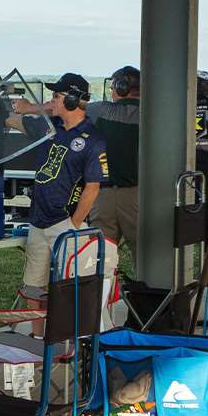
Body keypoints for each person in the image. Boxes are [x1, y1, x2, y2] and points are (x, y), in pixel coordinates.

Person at [19, 75, 106, 319]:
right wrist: (23, 108)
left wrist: (74, 224)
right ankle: (37, 343)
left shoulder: (93, 139)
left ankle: (67, 346)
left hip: (65, 224)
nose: (51, 101)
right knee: (34, 290)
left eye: (57, 97)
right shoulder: (50, 129)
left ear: (70, 100)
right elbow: (15, 120)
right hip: (38, 221)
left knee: (69, 291)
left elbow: (93, 187)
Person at [85, 65, 142, 273]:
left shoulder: (100, 110)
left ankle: (101, 303)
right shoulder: (155, 116)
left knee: (100, 258)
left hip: (103, 196)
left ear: (120, 86)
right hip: (139, 197)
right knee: (145, 258)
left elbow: (67, 109)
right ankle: (147, 303)